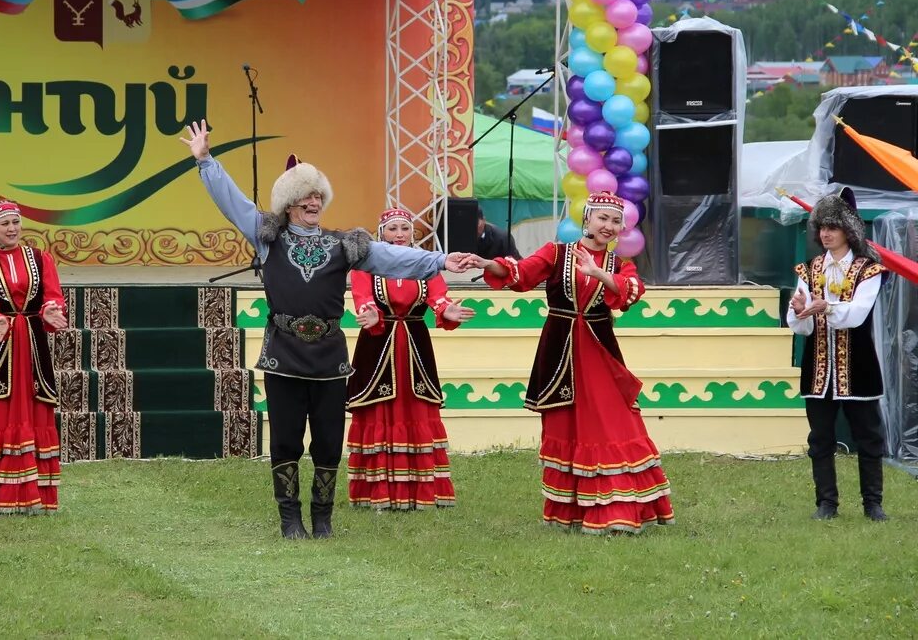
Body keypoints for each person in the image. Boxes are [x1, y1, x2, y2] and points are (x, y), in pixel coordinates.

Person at [179, 120, 478, 539]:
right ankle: (289, 519)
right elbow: (233, 203)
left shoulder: (345, 244)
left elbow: (393, 257)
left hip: (330, 355)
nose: (314, 202)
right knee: (285, 441)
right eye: (305, 196)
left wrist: (440, 261)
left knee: (327, 441)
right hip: (282, 352)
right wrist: (206, 160)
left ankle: (322, 518)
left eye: (318, 195)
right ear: (288, 203)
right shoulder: (268, 237)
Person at [471, 191, 674, 534]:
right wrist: (486, 263)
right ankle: (571, 511)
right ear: (587, 219)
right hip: (560, 349)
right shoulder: (556, 252)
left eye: (615, 222)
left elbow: (632, 292)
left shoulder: (619, 264)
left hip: (598, 350)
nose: (608, 226)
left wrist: (598, 273)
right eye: (603, 219)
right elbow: (520, 274)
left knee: (613, 422)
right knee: (566, 423)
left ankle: (618, 509)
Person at [347, 208, 474, 510]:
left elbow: (438, 297)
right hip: (378, 345)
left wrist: (446, 310)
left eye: (405, 228)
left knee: (416, 408)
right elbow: (363, 298)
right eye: (393, 228)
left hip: (415, 347)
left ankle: (421, 490)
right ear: (381, 234)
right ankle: (376, 492)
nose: (400, 234)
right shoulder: (364, 266)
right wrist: (370, 312)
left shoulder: (425, 264)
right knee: (378, 408)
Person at [0, 200, 69, 517]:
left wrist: (51, 310)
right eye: (5, 223)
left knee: (34, 409)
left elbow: (53, 296)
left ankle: (35, 497)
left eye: (15, 222)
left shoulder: (40, 258)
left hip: (31, 344)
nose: (12, 229)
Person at [787, 188, 889, 522]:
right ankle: (826, 504)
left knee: (869, 437)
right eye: (821, 227)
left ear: (849, 230)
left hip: (858, 368)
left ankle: (872, 504)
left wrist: (825, 306)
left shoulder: (868, 270)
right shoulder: (808, 271)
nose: (826, 233)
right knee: (820, 438)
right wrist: (800, 310)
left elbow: (857, 315)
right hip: (817, 369)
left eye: (833, 226)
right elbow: (801, 327)